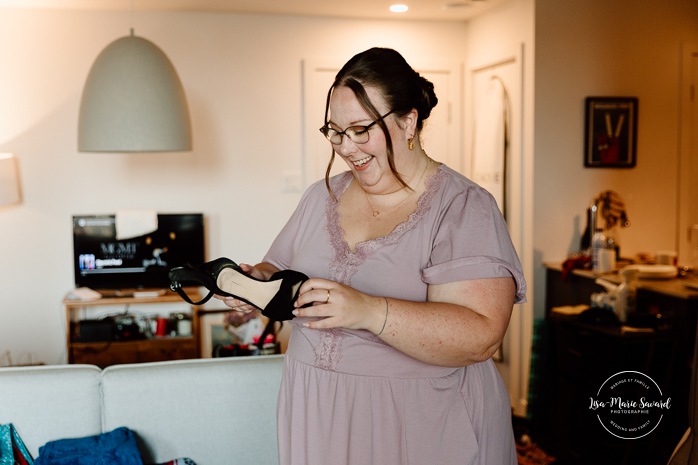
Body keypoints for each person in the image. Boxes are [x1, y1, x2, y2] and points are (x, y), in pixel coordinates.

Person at [218, 47, 526, 465]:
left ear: (408, 120)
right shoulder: (321, 196)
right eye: (335, 131)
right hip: (318, 410)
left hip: (418, 423)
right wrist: (254, 284)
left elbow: (481, 336)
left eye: (361, 129)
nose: (346, 147)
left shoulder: (463, 206)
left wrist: (368, 310)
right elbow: (279, 267)